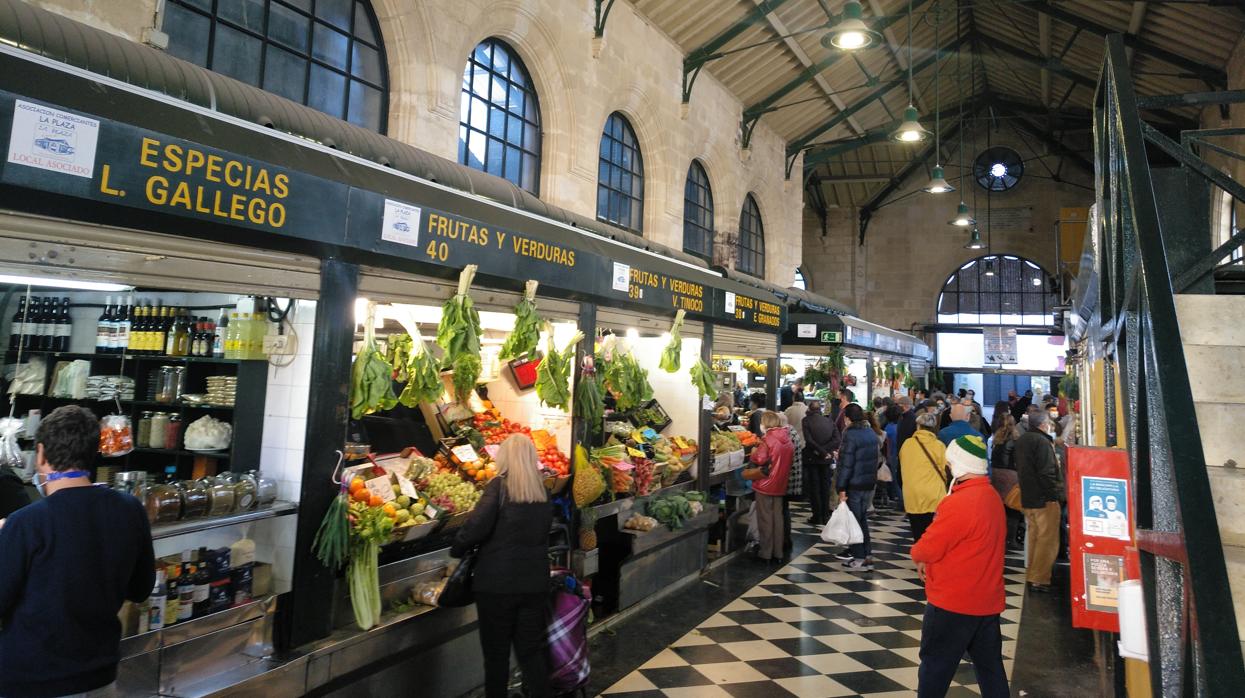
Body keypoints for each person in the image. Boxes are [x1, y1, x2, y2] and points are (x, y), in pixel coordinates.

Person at [0, 405, 155, 698]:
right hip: (100, 676)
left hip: (33, 681)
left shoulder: (26, 523)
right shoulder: (129, 509)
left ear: (42, 455)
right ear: (93, 452)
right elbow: (141, 589)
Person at [451, 434, 553, 698]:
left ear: (504, 457)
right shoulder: (543, 491)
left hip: (495, 585)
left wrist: (457, 548)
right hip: (534, 584)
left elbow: (475, 528)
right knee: (531, 653)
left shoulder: (498, 487)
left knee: (496, 658)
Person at [911, 435, 1009, 698]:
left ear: (958, 465)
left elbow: (927, 548)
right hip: (987, 601)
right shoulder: (991, 497)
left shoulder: (960, 503)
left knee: (935, 667)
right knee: (990, 669)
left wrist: (918, 555)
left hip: (953, 603)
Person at [1014, 410, 1064, 592]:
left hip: (1028, 497)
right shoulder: (1042, 442)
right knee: (1047, 540)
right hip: (1045, 499)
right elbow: (1046, 472)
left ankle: (1032, 574)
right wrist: (1055, 494)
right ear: (1043, 424)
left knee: (1035, 537)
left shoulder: (1023, 440)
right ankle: (1040, 578)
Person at [746, 411, 794, 562]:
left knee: (765, 518)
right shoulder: (787, 437)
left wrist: (753, 452)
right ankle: (778, 553)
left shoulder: (768, 439)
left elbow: (760, 458)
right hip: (780, 483)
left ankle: (765, 553)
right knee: (777, 518)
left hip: (765, 483)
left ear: (765, 423)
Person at [837, 403, 878, 571]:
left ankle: (859, 558)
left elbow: (847, 464)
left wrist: (841, 487)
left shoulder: (850, 435)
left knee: (854, 521)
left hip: (854, 484)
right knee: (862, 520)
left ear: (847, 418)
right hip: (868, 483)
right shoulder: (870, 432)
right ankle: (867, 555)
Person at [900, 412, 948, 543]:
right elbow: (946, 470)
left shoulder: (907, 444)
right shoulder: (939, 446)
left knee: (918, 533)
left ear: (918, 426)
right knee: (933, 535)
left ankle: (921, 559)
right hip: (934, 495)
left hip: (912, 495)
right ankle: (932, 561)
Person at [802, 399, 840, 527]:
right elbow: (837, 439)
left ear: (809, 409)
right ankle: (825, 514)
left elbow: (809, 440)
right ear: (820, 409)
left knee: (814, 487)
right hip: (826, 459)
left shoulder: (806, 421)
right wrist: (826, 451)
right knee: (825, 487)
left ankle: (817, 515)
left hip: (813, 457)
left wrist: (821, 451)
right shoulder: (829, 421)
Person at [989, 413, 1024, 552]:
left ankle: (1000, 536)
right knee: (1013, 507)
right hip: (1010, 474)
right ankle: (1011, 539)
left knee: (1001, 506)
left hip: (997, 473)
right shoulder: (1015, 439)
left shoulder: (997, 438)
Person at [779, 412, 804, 554]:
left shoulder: (786, 435)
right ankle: (785, 539)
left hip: (787, 479)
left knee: (782, 510)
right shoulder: (792, 432)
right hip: (792, 479)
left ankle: (784, 539)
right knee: (784, 509)